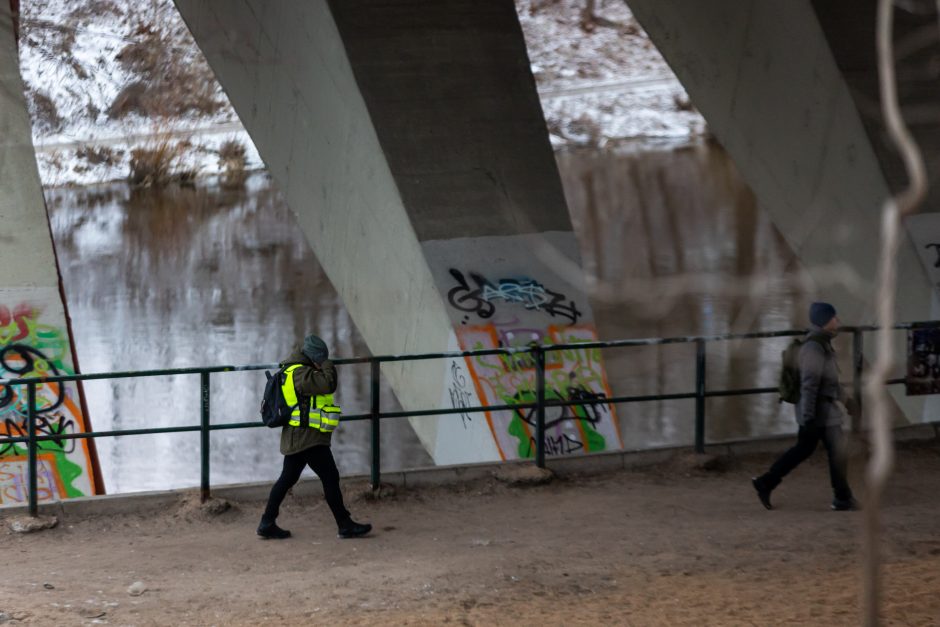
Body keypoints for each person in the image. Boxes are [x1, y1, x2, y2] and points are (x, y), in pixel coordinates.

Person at [257, 334, 372, 539]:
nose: (321, 362)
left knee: (287, 479)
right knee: (330, 476)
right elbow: (327, 384)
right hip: (307, 437)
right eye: (320, 358)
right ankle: (344, 524)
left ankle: (267, 522)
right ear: (314, 357)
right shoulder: (301, 374)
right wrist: (328, 364)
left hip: (299, 435)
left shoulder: (293, 370)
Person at [752, 302, 859, 511]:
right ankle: (841, 497)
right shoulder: (814, 347)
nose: (838, 321)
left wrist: (847, 402)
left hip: (823, 412)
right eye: (834, 317)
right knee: (821, 451)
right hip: (819, 413)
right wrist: (809, 417)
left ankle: (767, 482)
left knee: (807, 450)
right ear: (824, 321)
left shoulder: (822, 343)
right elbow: (809, 385)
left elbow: (830, 381)